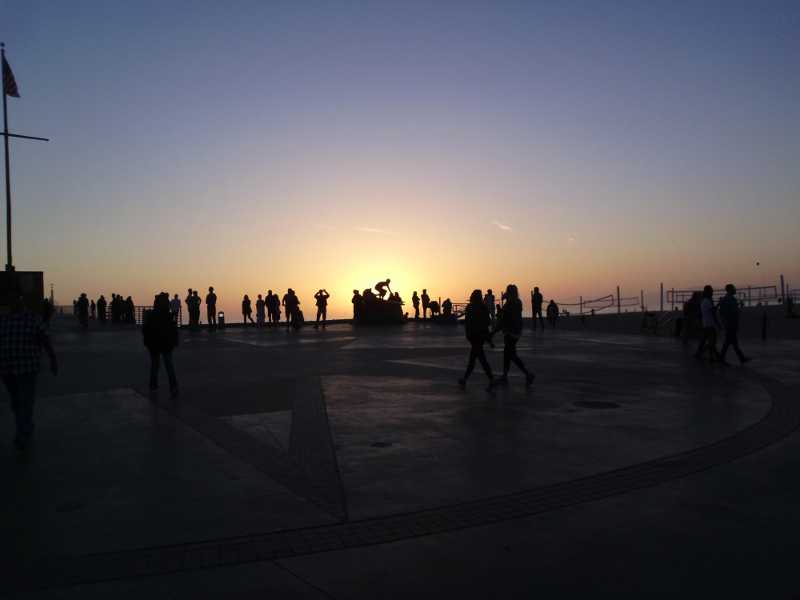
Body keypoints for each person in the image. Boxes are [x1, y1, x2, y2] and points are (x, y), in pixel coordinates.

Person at [0, 291, 58, 450]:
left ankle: (22, 429)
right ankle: (23, 428)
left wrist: (53, 358)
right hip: (24, 367)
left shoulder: (5, 320)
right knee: (23, 400)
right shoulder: (32, 319)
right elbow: (45, 339)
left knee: (18, 400)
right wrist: (53, 359)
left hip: (9, 368)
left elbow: (45, 339)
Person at [492, 284, 535, 386]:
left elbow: (504, 320)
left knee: (511, 354)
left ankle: (527, 374)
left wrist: (494, 332)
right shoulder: (518, 302)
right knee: (508, 354)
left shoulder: (509, 304)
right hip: (517, 331)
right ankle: (505, 376)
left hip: (510, 332)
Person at [142, 293, 179, 397]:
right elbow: (173, 331)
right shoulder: (168, 316)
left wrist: (147, 343)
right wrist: (174, 343)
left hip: (154, 345)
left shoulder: (152, 315)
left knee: (154, 366)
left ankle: (153, 387)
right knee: (169, 365)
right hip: (166, 344)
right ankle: (173, 387)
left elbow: (146, 330)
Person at [459, 289, 495, 390]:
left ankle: (490, 378)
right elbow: (487, 323)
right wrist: (489, 339)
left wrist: (468, 335)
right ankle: (465, 379)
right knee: (476, 358)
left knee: (477, 358)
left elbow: (467, 323)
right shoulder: (483, 308)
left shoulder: (470, 307)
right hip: (480, 336)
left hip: (474, 336)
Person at [719, 284, 750, 364]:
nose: (735, 290)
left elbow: (725, 312)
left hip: (731, 323)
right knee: (730, 342)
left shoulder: (728, 299)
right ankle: (740, 358)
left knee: (730, 342)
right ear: (730, 290)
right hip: (731, 323)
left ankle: (741, 358)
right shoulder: (729, 299)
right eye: (733, 288)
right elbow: (730, 312)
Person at [695, 285, 721, 361]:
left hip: (705, 323)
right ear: (708, 292)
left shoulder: (703, 301)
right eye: (711, 291)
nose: (712, 292)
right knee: (712, 342)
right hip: (710, 324)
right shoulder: (707, 301)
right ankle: (711, 356)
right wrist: (719, 304)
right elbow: (713, 312)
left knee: (706, 340)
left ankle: (708, 355)